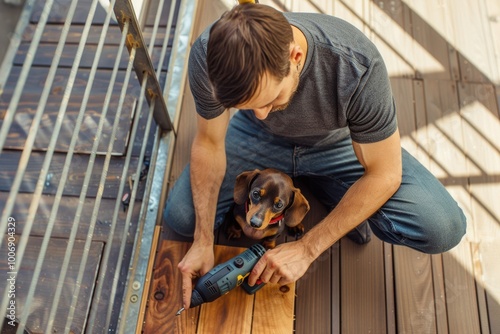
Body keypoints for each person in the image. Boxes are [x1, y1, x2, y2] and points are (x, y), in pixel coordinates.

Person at [163, 3, 466, 310]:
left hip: (336, 142)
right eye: (246, 104)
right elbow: (210, 142)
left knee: (442, 227)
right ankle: (327, 187)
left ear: (295, 57)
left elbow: (385, 173)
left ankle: (327, 181)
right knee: (182, 218)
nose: (263, 113)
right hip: (254, 138)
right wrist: (203, 239)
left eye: (270, 99)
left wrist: (307, 248)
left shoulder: (356, 65)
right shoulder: (210, 55)